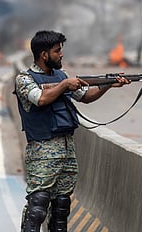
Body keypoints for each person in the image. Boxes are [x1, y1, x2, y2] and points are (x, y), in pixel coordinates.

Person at [14, 30, 130, 232]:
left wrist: (108, 84)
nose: (61, 55)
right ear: (44, 55)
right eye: (57, 51)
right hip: (42, 152)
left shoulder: (61, 76)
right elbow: (40, 99)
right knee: (37, 208)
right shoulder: (25, 79)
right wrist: (65, 85)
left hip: (67, 151)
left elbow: (86, 96)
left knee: (61, 208)